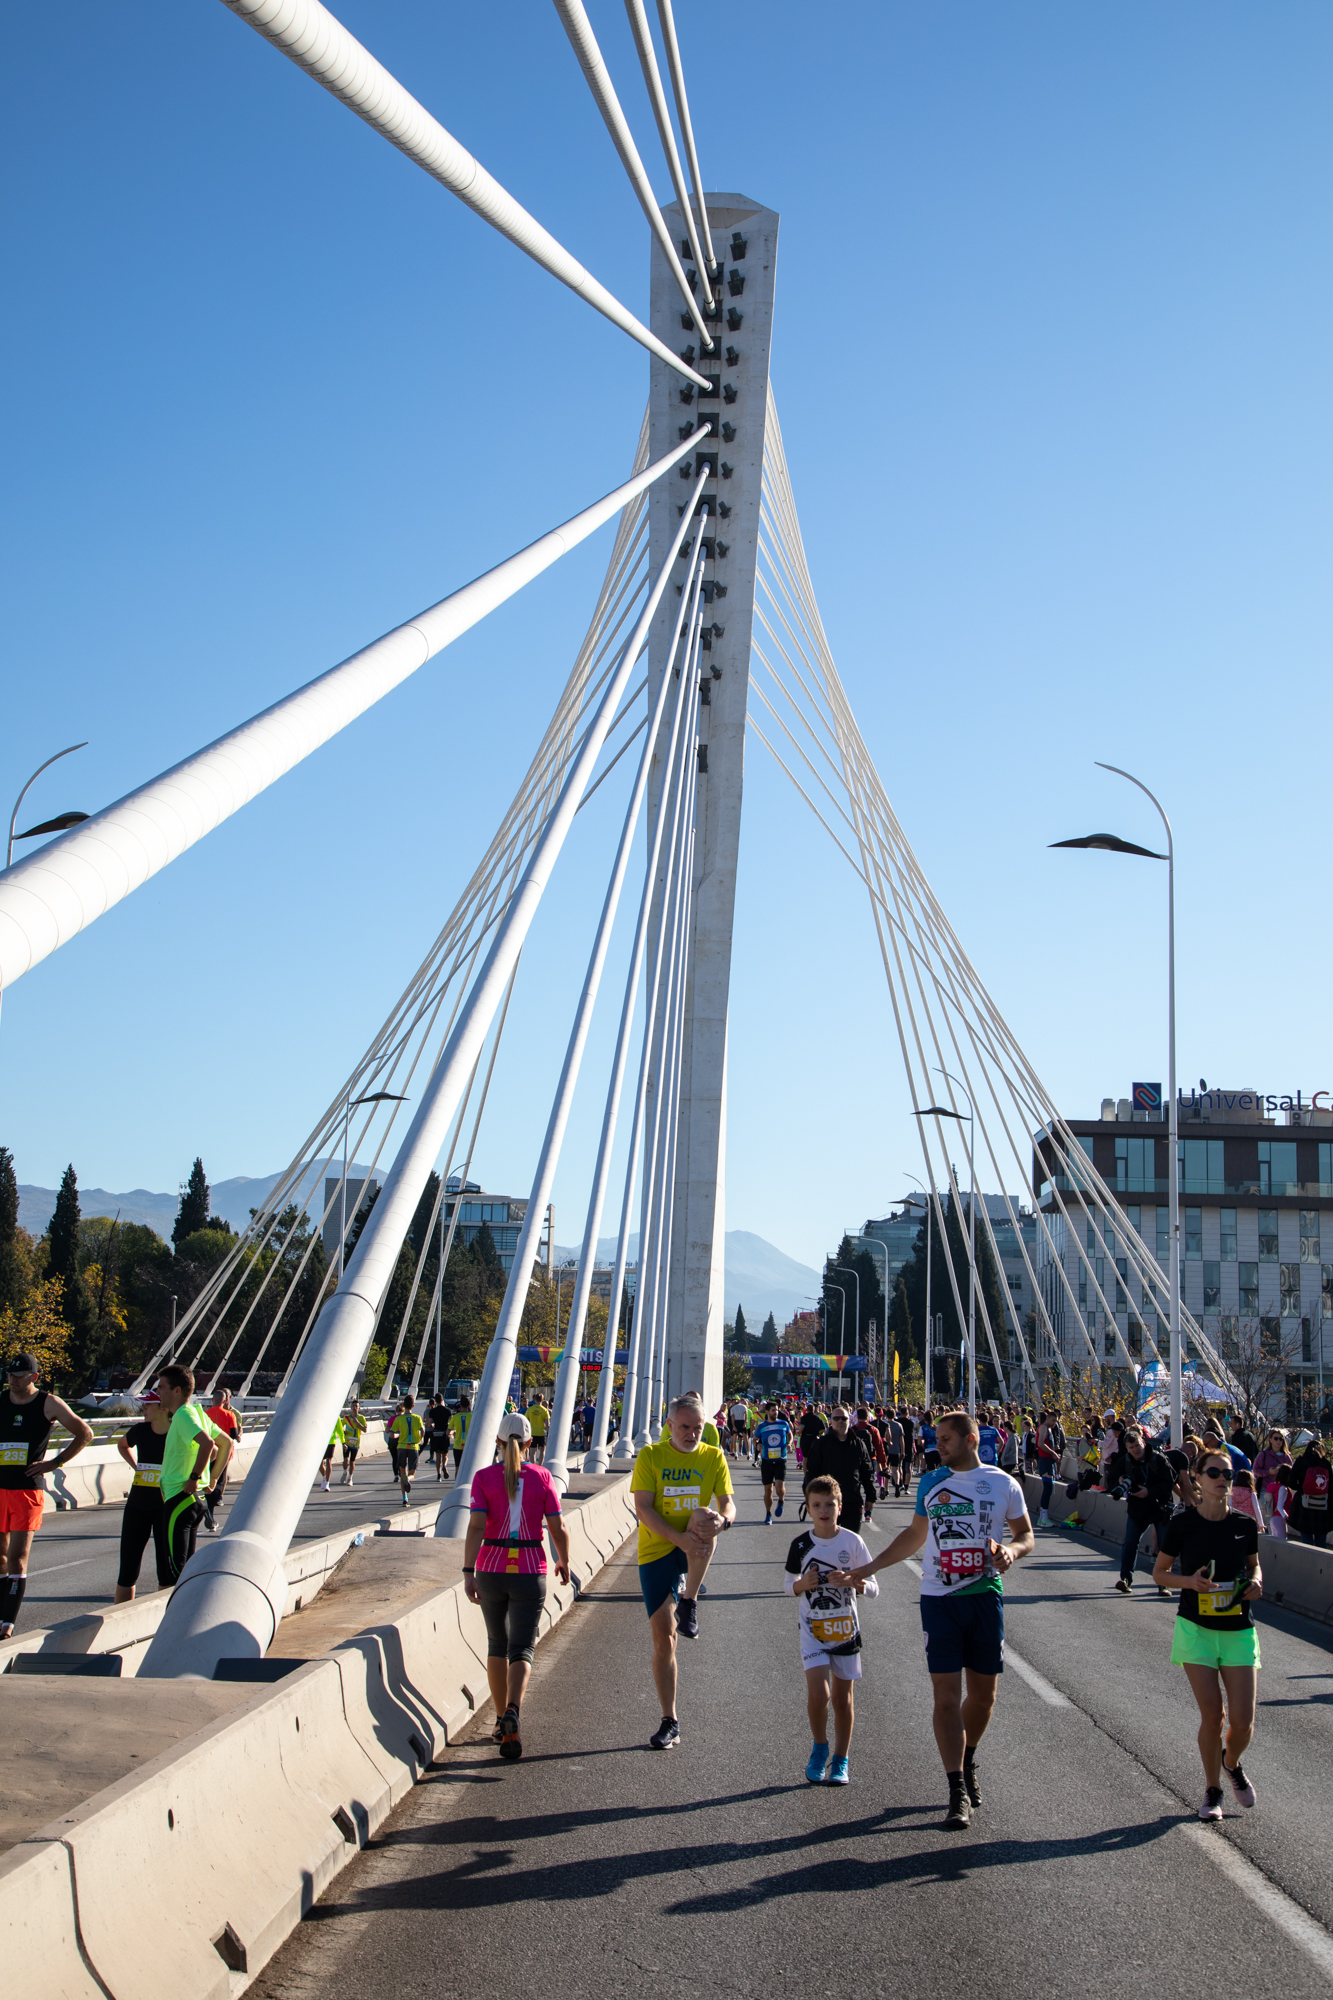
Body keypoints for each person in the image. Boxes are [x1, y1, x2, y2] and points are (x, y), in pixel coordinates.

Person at [850, 1408, 1034, 1830]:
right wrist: (871, 1566)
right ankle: (956, 1789)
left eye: (946, 1439)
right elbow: (916, 1535)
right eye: (936, 1438)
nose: (938, 1446)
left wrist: (1012, 1551)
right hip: (938, 1598)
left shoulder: (1003, 1484)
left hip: (985, 1596)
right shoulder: (933, 1481)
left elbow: (1025, 1534)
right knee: (946, 1695)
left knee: (984, 1697)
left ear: (971, 1440)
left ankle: (966, 1758)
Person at [1152, 1445, 1262, 1820]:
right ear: (1197, 1478)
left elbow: (1255, 1567)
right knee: (1213, 1715)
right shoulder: (1183, 1524)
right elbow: (1159, 1574)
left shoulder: (1244, 1525)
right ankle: (1212, 1790)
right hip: (1196, 1629)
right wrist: (1189, 1583)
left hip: (1237, 1630)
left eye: (1227, 1475)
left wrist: (1257, 1583)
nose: (1221, 1480)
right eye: (1213, 1473)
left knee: (1244, 1722)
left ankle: (1232, 1763)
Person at [630, 1390, 735, 1750]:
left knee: (705, 1515)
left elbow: (728, 1504)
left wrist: (725, 1521)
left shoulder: (713, 1456)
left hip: (694, 1542)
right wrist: (679, 1540)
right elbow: (643, 1509)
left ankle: (690, 1599)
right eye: (685, 1427)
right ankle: (669, 1719)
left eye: (698, 1427)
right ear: (670, 1426)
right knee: (664, 1639)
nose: (692, 1434)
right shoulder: (651, 1455)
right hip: (660, 1546)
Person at [462, 1413, 570, 1761]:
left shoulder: (483, 1478)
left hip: (491, 1568)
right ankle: (513, 1712)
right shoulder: (542, 1477)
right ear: (528, 1443)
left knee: (497, 1644)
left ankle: (497, 1720)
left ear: (497, 1442)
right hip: (529, 1568)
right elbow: (557, 1527)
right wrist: (564, 1559)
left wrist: (468, 1570)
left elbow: (477, 1526)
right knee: (521, 1648)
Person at [785, 1473, 878, 1785]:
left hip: (845, 1630)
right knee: (818, 1694)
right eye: (817, 1505)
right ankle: (819, 1747)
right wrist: (802, 1584)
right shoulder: (800, 1545)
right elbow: (787, 1585)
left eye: (830, 1504)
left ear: (840, 1507)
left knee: (842, 1699)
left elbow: (874, 1587)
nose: (824, 1510)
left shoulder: (853, 1542)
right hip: (812, 1629)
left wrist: (856, 1582)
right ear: (808, 1509)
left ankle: (841, 1758)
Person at [0, 1351, 94, 1637]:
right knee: (0, 1557)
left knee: (17, 1556)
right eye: (9, 1375)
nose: (12, 1380)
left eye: (19, 1376)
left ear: (34, 1377)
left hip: (27, 1490)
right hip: (0, 1487)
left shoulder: (48, 1403)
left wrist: (55, 1462)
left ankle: (7, 1624)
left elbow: (85, 1433)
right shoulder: (2, 1400)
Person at [156, 1364, 233, 1584]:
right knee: (186, 1571)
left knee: (173, 1574)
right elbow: (225, 1444)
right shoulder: (198, 1413)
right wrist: (212, 1480)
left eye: (162, 1387)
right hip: (194, 1500)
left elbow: (208, 1444)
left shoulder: (182, 1415)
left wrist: (194, 1478)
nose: (158, 1391)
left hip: (179, 1497)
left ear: (177, 1390)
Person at [114, 1395, 173, 1602]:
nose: (144, 1407)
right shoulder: (139, 1430)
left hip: (165, 1507)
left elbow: (211, 1450)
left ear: (164, 1408)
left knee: (166, 1571)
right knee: (127, 1572)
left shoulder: (177, 1434)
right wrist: (136, 1466)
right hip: (137, 1506)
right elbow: (123, 1445)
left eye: (149, 1404)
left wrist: (191, 1476)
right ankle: (120, 1624)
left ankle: (164, 1623)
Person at [1105, 1423, 1174, 1594]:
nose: (1135, 1450)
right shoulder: (1125, 1462)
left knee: (1165, 1547)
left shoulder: (1158, 1459)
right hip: (1137, 1509)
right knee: (1130, 1543)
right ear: (1127, 1449)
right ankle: (1126, 1579)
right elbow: (1110, 1479)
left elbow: (1169, 1483)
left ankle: (1163, 1584)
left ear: (1143, 1442)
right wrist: (1120, 1483)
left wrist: (1149, 1491)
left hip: (1159, 1507)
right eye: (1131, 1447)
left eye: (1137, 1445)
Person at [803, 1406, 876, 1535]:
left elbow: (866, 1472)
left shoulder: (858, 1444)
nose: (840, 1421)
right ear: (831, 1421)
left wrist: (870, 1496)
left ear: (850, 1420)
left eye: (844, 1418)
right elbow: (812, 1473)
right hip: (827, 1503)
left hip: (852, 1501)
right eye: (836, 1418)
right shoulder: (821, 1444)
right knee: (828, 1541)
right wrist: (809, 1497)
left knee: (850, 1542)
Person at [204, 1388, 241, 1514]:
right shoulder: (230, 1414)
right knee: (220, 1479)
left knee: (208, 1476)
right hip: (224, 1452)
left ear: (212, 1399)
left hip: (208, 1451)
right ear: (224, 1401)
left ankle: (206, 1502)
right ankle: (215, 1502)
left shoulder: (205, 1414)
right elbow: (233, 1434)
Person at [753, 1401, 792, 1524]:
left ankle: (781, 1500)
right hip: (767, 1460)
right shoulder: (762, 1427)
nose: (776, 1412)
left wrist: (789, 1444)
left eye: (777, 1410)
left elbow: (790, 1434)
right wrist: (758, 1445)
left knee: (780, 1487)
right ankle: (768, 1513)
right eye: (773, 1410)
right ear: (768, 1412)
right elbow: (755, 1439)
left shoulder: (783, 1424)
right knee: (768, 1490)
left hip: (781, 1459)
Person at [1288, 1437, 1331, 1547]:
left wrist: (1302, 1488)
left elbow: (1291, 1482)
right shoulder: (1325, 1464)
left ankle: (1308, 1561)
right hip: (1323, 1506)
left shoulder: (1301, 1461)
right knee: (1321, 1538)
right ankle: (1321, 1561)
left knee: (1306, 1534)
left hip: (1304, 1504)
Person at [391, 1395, 424, 1507]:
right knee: (412, 1473)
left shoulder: (398, 1419)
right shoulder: (417, 1418)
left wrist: (398, 1435)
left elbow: (392, 1434)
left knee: (402, 1472)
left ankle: (405, 1498)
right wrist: (420, 1439)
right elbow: (422, 1430)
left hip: (401, 1446)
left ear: (403, 1405)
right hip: (413, 1447)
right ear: (413, 1406)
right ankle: (408, 1480)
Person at [340, 1398, 367, 1485]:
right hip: (347, 1442)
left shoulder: (361, 1418)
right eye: (353, 1406)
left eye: (357, 1406)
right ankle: (345, 1472)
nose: (355, 1407)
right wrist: (343, 1432)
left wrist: (358, 1423)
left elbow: (365, 1430)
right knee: (345, 1459)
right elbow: (340, 1427)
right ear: (351, 1407)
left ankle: (350, 1478)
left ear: (359, 1408)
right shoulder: (346, 1418)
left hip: (355, 1443)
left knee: (352, 1461)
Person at [427, 1395, 451, 1481]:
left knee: (438, 1456)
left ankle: (439, 1475)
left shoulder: (432, 1411)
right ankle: (444, 1466)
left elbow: (429, 1424)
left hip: (436, 1434)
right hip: (444, 1434)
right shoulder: (447, 1411)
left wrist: (433, 1425)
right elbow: (450, 1423)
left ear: (435, 1401)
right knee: (445, 1455)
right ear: (442, 1400)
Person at [449, 1395, 473, 1475]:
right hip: (469, 1446)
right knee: (469, 1469)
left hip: (458, 1446)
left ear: (460, 1405)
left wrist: (454, 1431)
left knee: (458, 1469)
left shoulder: (455, 1417)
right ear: (469, 1405)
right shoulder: (473, 1416)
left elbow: (448, 1431)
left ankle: (457, 1486)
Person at [525, 1394, 549, 1463]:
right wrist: (548, 1433)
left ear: (534, 1399)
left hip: (532, 1432)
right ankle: (540, 1465)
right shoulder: (545, 1410)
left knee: (532, 1452)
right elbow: (547, 1424)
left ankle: (533, 1466)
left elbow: (526, 1421)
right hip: (541, 1432)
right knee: (542, 1451)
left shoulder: (530, 1409)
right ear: (542, 1400)